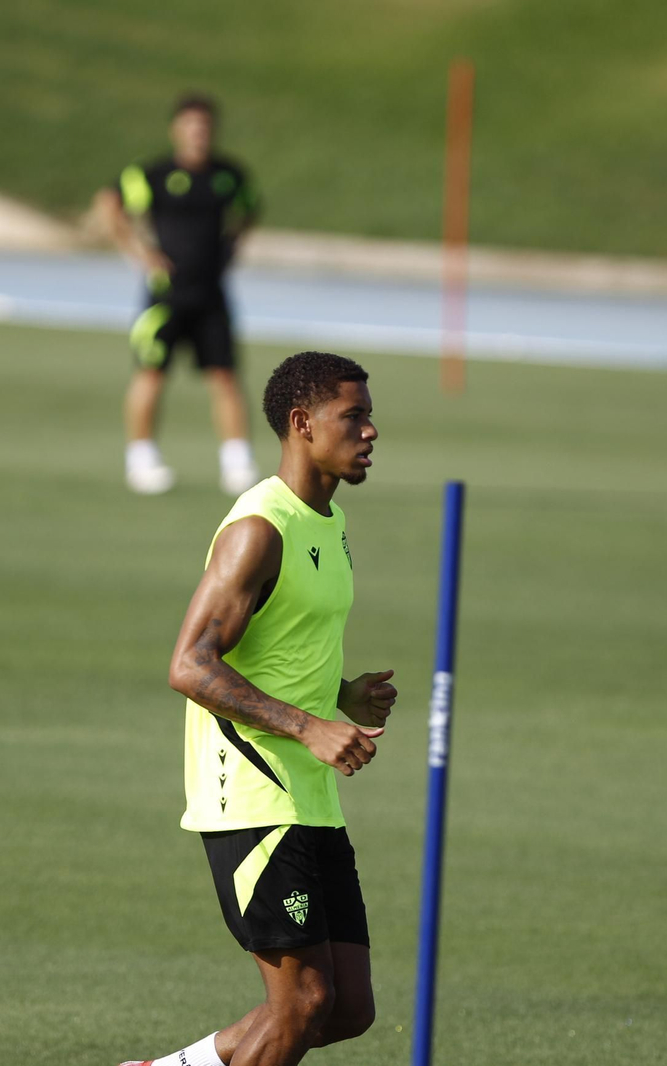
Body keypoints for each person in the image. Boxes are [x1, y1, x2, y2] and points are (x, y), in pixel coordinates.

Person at [123, 351, 398, 1066]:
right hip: (252, 795)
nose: (371, 431)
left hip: (310, 796)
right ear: (302, 423)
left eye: (370, 416)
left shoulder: (327, 522)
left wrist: (340, 695)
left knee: (347, 1007)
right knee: (302, 1003)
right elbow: (190, 664)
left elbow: (278, 650)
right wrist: (310, 726)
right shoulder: (260, 528)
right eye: (354, 417)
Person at [96, 92, 262, 495]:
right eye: (191, 126)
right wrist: (140, 254)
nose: (198, 134)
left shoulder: (228, 176)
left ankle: (237, 462)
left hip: (211, 295)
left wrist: (232, 246)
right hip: (165, 297)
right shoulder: (154, 175)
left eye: (204, 126)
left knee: (224, 376)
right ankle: (141, 458)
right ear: (176, 130)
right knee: (151, 373)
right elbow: (110, 202)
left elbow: (250, 209)